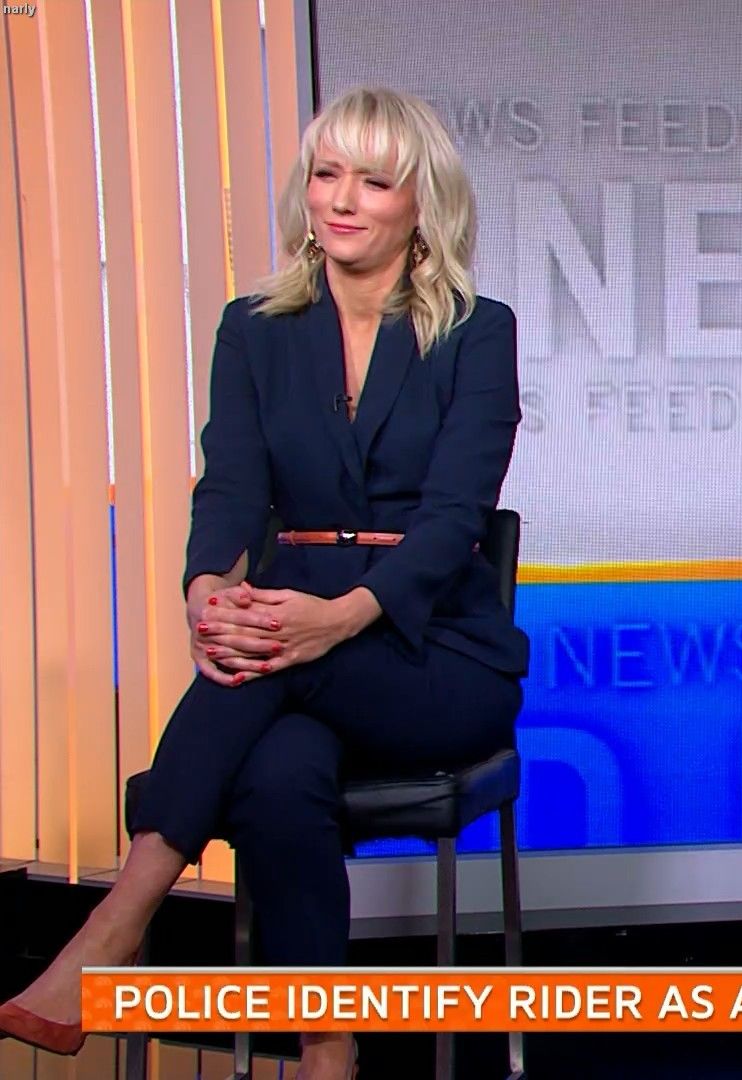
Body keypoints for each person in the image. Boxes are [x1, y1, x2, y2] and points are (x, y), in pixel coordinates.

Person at [0, 86, 526, 1078]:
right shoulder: (255, 328)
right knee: (280, 773)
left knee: (270, 660)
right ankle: (326, 1045)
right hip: (292, 628)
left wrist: (337, 618)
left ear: (423, 202)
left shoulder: (476, 330)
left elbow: (456, 518)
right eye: (327, 174)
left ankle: (111, 928)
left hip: (435, 652)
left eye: (374, 181)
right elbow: (233, 486)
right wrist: (206, 590)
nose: (342, 200)